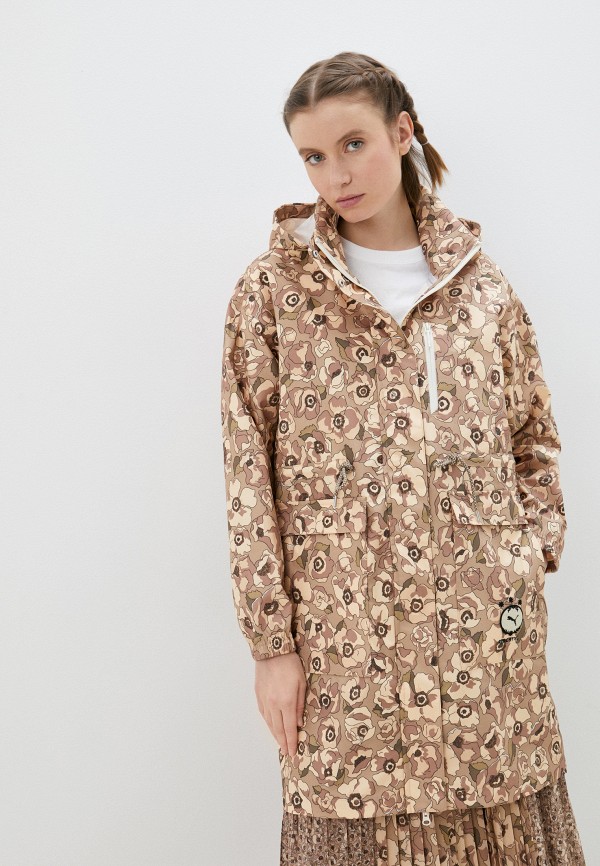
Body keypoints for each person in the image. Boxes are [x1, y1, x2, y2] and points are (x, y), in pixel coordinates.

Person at [220, 51, 587, 866]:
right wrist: (271, 645)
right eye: (314, 156)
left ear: (402, 131)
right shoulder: (272, 293)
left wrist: (528, 552)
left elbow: (534, 436)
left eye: (353, 144)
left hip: (487, 650)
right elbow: (248, 478)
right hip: (347, 652)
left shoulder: (482, 288)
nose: (336, 175)